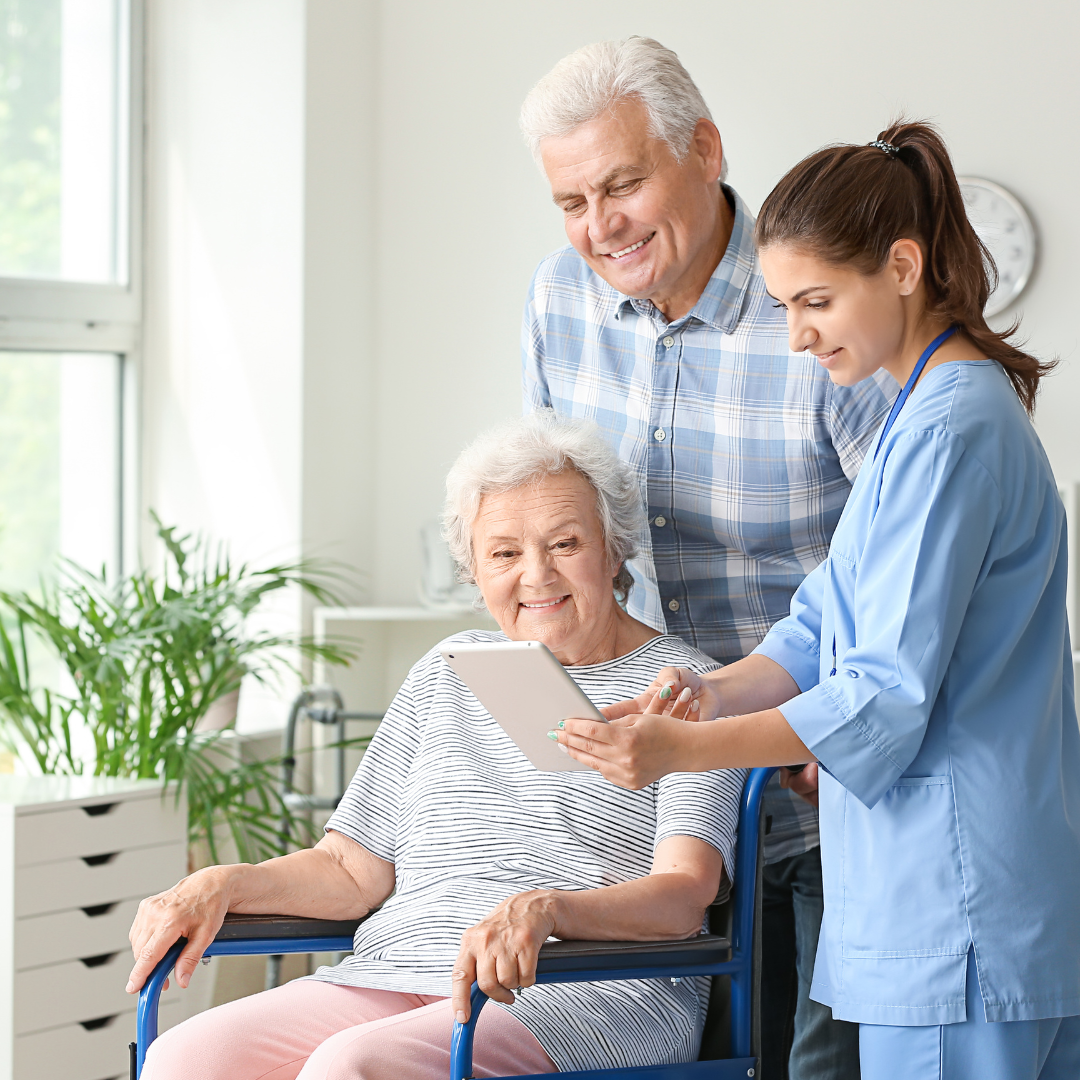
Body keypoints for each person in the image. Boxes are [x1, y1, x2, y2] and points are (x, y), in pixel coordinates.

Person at [552, 120, 1080, 1080]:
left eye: (817, 301)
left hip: (955, 904)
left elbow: (879, 693)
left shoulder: (950, 429)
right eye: (788, 304)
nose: (796, 334)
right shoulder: (918, 417)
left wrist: (683, 752)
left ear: (904, 268)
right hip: (940, 903)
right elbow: (820, 623)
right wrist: (705, 697)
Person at [128, 410, 746, 1080]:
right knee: (185, 1059)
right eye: (504, 553)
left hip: (582, 987)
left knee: (350, 1066)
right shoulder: (449, 667)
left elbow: (685, 893)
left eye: (565, 544)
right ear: (475, 570)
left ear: (614, 547)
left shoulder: (692, 691)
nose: (535, 576)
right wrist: (217, 883)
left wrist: (550, 910)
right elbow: (350, 870)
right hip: (396, 970)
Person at [520, 35, 891, 1078]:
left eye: (623, 184)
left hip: (823, 784)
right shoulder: (558, 302)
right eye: (571, 202)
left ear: (706, 149)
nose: (601, 228)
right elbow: (567, 529)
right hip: (661, 808)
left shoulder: (812, 305)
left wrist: (823, 711)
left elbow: (894, 547)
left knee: (817, 1067)